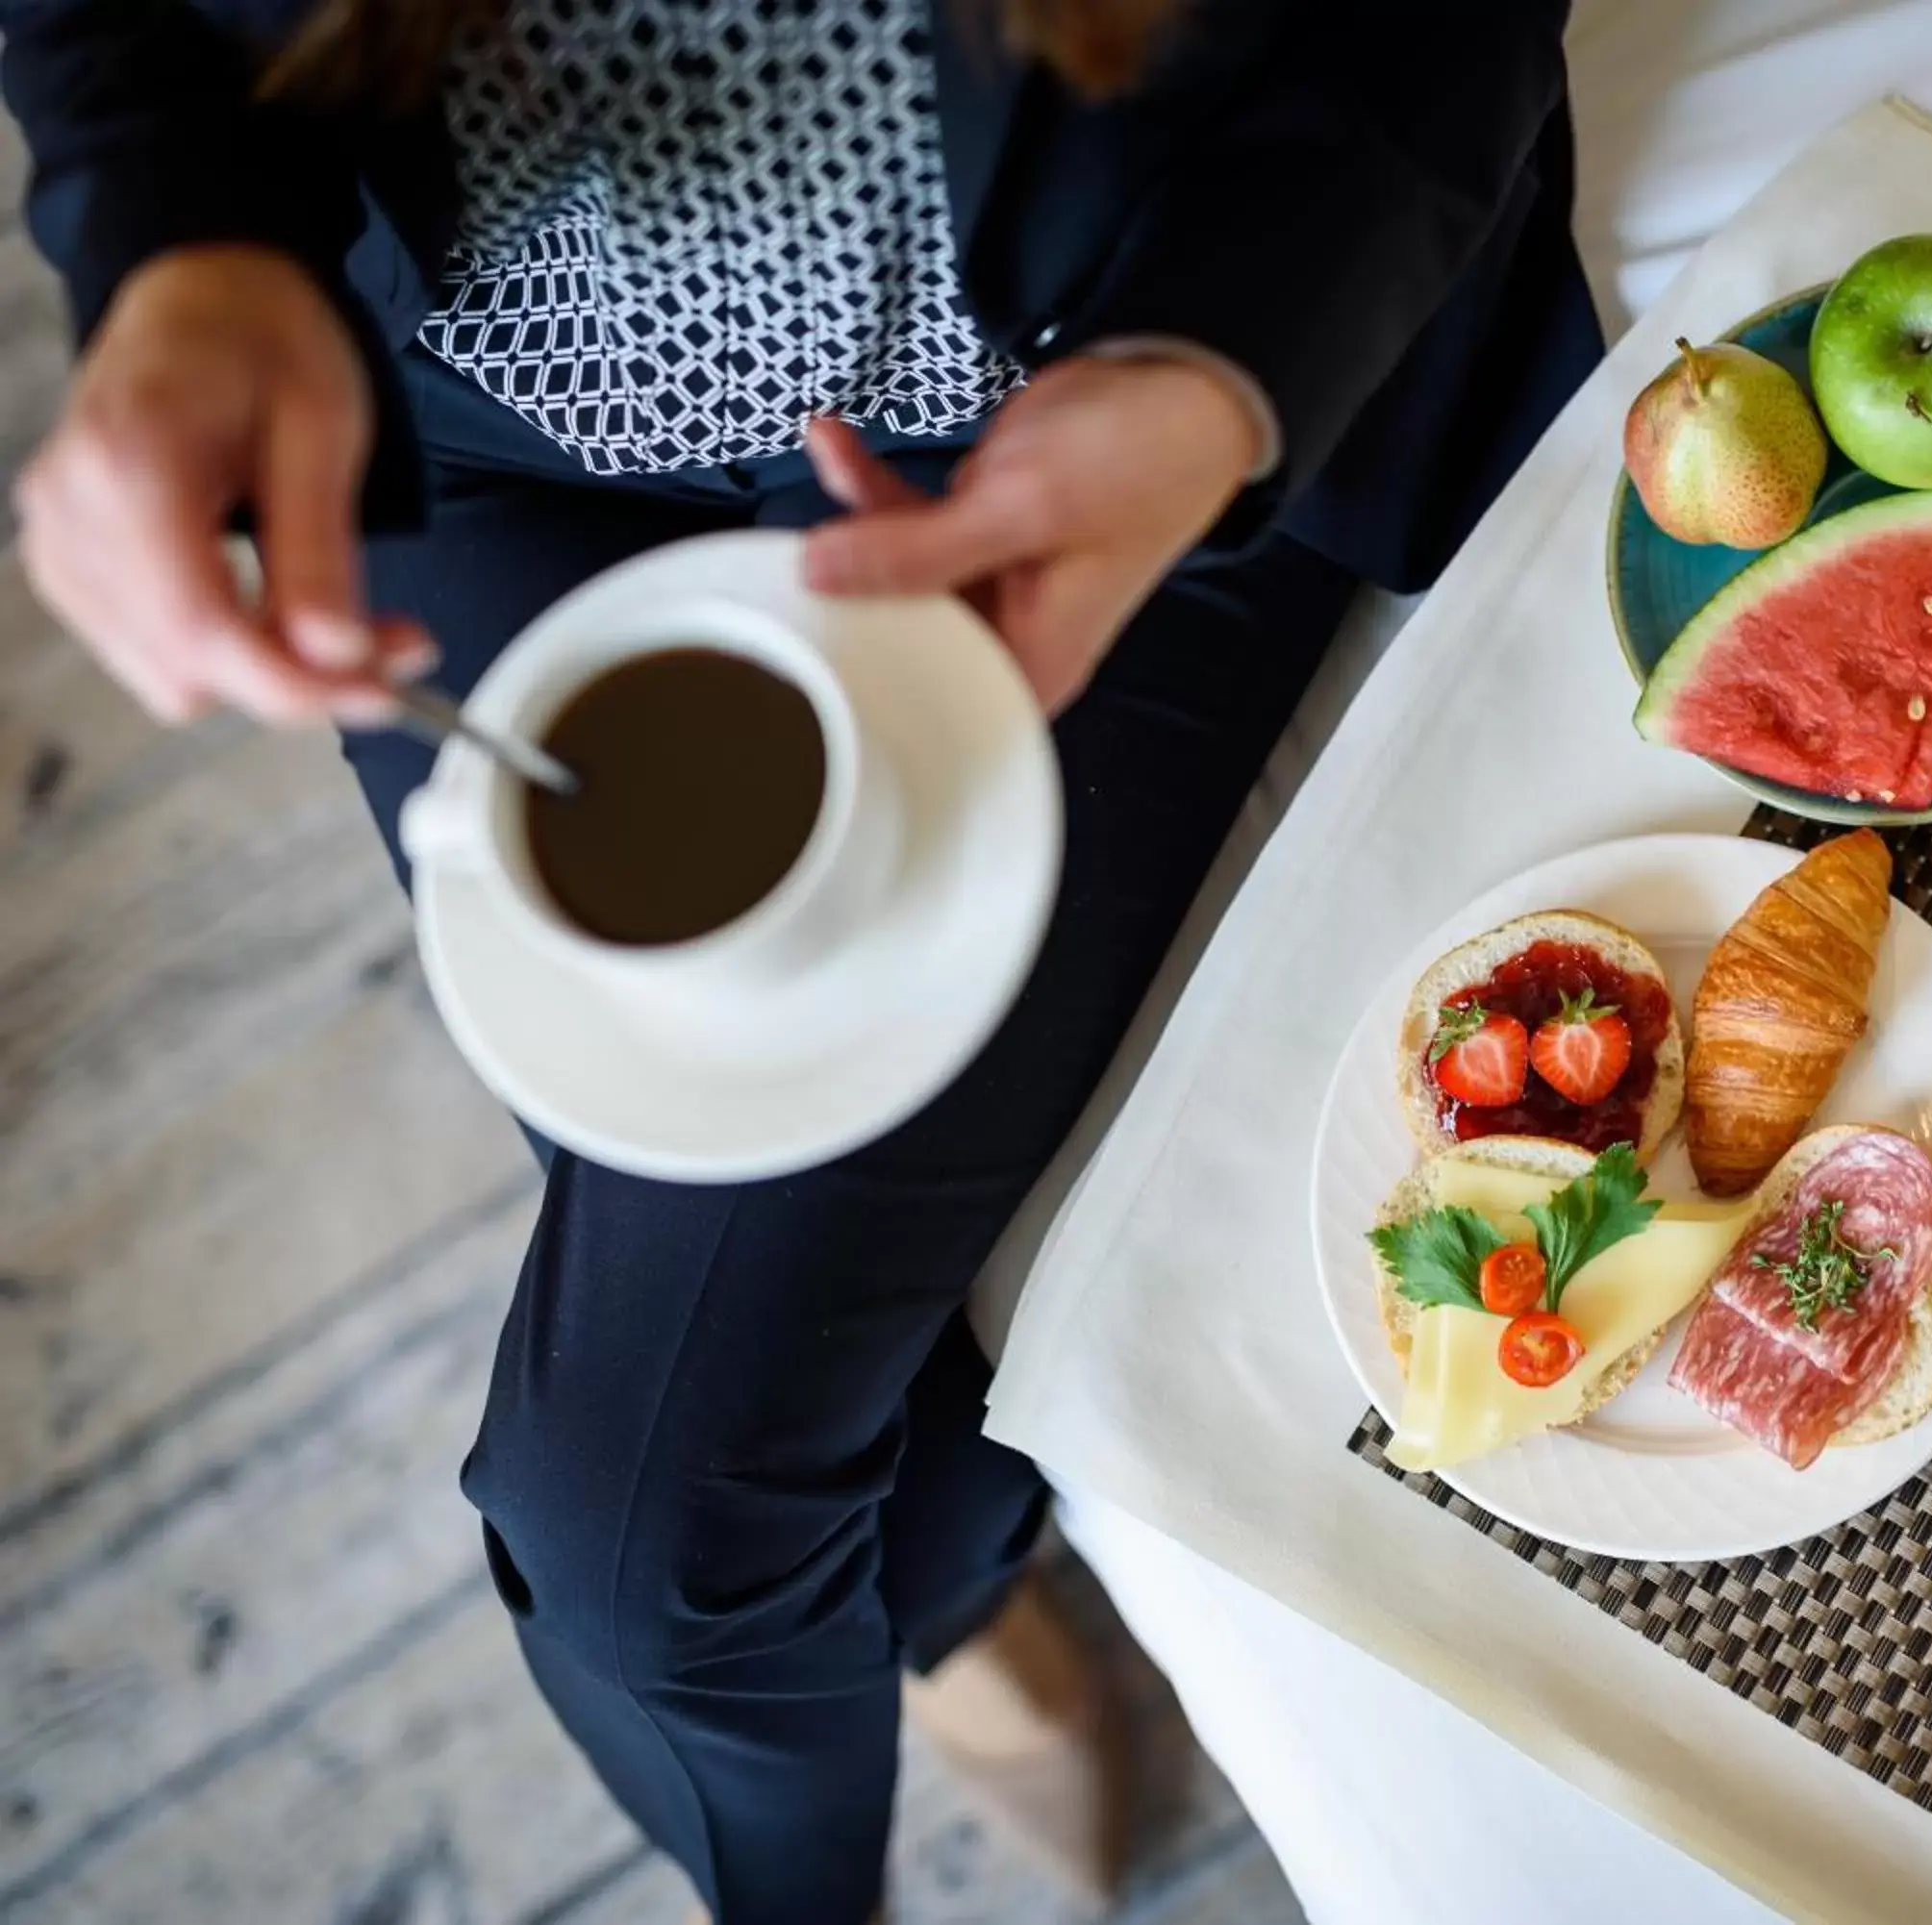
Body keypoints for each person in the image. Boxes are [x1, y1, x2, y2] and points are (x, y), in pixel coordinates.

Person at [0, 3, 1600, 1918]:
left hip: (1103, 388)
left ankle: (918, 1634)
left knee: (655, 1545)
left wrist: (1207, 383)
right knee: (743, 1380)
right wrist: (176, 248)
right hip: (485, 415)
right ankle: (932, 1598)